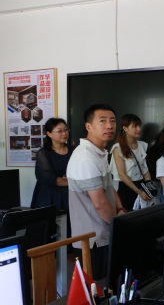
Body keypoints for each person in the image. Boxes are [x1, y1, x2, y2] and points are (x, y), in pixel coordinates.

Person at [67, 104, 127, 280]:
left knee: (109, 286)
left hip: (104, 233)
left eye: (112, 121)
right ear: (89, 126)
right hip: (92, 240)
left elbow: (109, 187)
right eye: (102, 121)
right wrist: (119, 226)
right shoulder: (86, 158)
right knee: (96, 289)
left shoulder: (99, 152)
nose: (109, 125)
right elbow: (100, 204)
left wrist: (120, 209)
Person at [31, 118, 74, 214]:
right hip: (49, 196)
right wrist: (74, 181)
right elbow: (49, 178)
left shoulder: (74, 150)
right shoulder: (43, 153)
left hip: (71, 195)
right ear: (49, 134)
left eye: (66, 130)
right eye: (59, 131)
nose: (64, 133)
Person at [109, 114, 152, 210]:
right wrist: (139, 192)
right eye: (135, 126)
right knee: (128, 216)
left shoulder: (142, 145)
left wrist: (149, 188)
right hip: (127, 189)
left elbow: (145, 170)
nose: (139, 129)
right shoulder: (118, 148)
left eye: (139, 126)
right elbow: (122, 175)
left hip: (142, 186)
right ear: (125, 128)